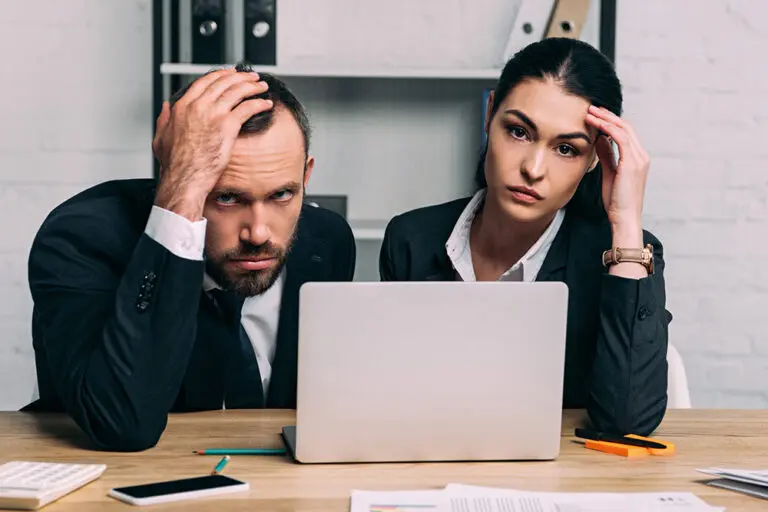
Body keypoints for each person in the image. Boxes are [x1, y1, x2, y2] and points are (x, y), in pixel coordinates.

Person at [24, 63, 356, 451]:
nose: (258, 233)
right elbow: (121, 425)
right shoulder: (81, 239)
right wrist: (181, 196)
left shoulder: (327, 241)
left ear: (306, 176)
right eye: (226, 197)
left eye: (282, 194)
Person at [379, 38, 671, 436]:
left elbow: (628, 423)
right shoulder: (411, 238)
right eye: (518, 131)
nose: (533, 169)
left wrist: (625, 221)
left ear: (593, 160)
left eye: (566, 149)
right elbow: (395, 397)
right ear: (490, 114)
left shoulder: (621, 256)